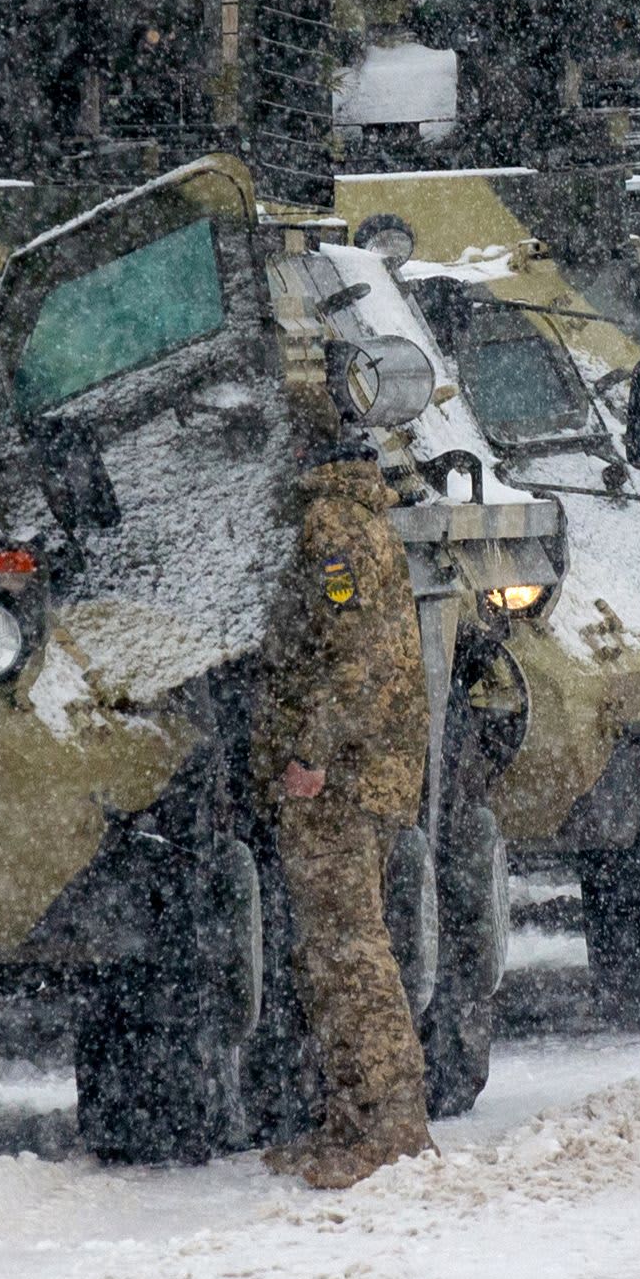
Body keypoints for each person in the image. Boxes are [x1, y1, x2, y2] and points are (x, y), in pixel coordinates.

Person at [250, 428, 435, 1189]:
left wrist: (312, 754)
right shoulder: (362, 518)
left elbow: (352, 652)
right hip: (368, 773)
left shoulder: (331, 524)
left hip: (346, 781)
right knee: (333, 950)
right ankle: (351, 1124)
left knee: (348, 953)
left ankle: (387, 1131)